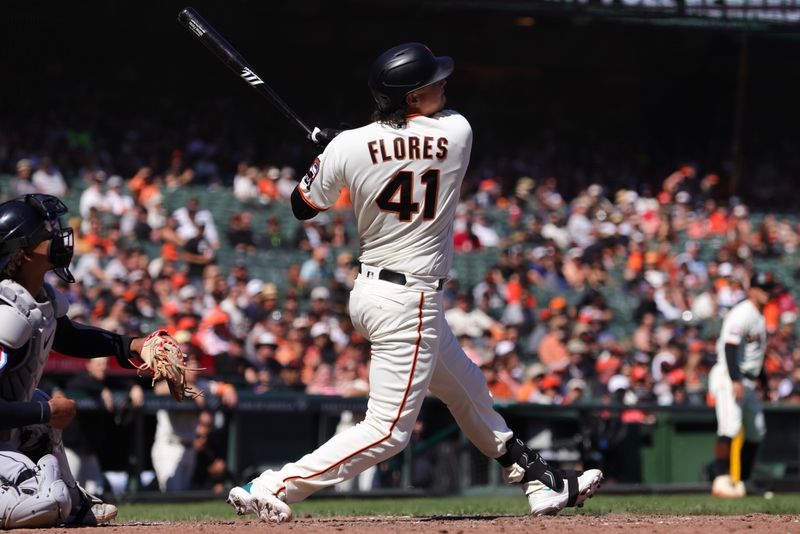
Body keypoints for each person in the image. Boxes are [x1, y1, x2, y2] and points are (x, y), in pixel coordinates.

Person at [227, 42, 602, 524]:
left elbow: (303, 207)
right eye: (432, 84)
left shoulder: (348, 147)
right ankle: (273, 484)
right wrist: (343, 142)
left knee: (466, 386)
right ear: (409, 98)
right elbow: (406, 146)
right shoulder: (458, 131)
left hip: (370, 293)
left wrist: (332, 153)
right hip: (411, 299)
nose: (443, 85)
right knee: (387, 431)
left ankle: (539, 480)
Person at [0, 194, 157, 527]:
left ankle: (72, 500)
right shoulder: (5, 317)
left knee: (40, 409)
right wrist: (44, 412)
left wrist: (129, 345)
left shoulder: (36, 301)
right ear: (23, 252)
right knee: (47, 496)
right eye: (46, 233)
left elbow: (71, 336)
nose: (58, 236)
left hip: (6, 436)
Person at [709, 271, 774, 498]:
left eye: (769, 289)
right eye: (763, 288)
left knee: (756, 430)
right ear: (752, 290)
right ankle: (720, 479)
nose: (767, 292)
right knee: (730, 427)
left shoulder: (759, 316)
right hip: (730, 375)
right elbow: (730, 347)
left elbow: (757, 355)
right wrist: (735, 379)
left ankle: (744, 482)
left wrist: (764, 382)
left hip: (748, 378)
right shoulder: (742, 313)